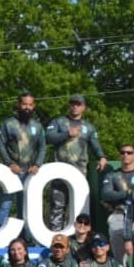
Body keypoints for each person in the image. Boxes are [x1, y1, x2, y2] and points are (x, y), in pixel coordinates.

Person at [44, 95, 106, 230]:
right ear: (69, 105)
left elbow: (95, 144)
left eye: (78, 104)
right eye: (73, 104)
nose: (75, 107)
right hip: (59, 171)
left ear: (84, 107)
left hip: (79, 173)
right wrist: (67, 134)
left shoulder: (88, 127)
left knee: (78, 207)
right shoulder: (59, 121)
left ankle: (77, 237)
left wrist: (101, 156)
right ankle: (56, 236)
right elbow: (48, 137)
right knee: (57, 205)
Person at [0, 94, 46, 230]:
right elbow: (0, 144)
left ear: (33, 106)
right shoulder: (8, 123)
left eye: (30, 104)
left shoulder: (37, 125)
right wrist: (9, 163)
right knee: (5, 205)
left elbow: (42, 147)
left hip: (29, 173)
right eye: (24, 104)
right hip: (10, 171)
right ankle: (0, 235)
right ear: (18, 104)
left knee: (25, 206)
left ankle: (24, 237)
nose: (27, 107)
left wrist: (37, 165)